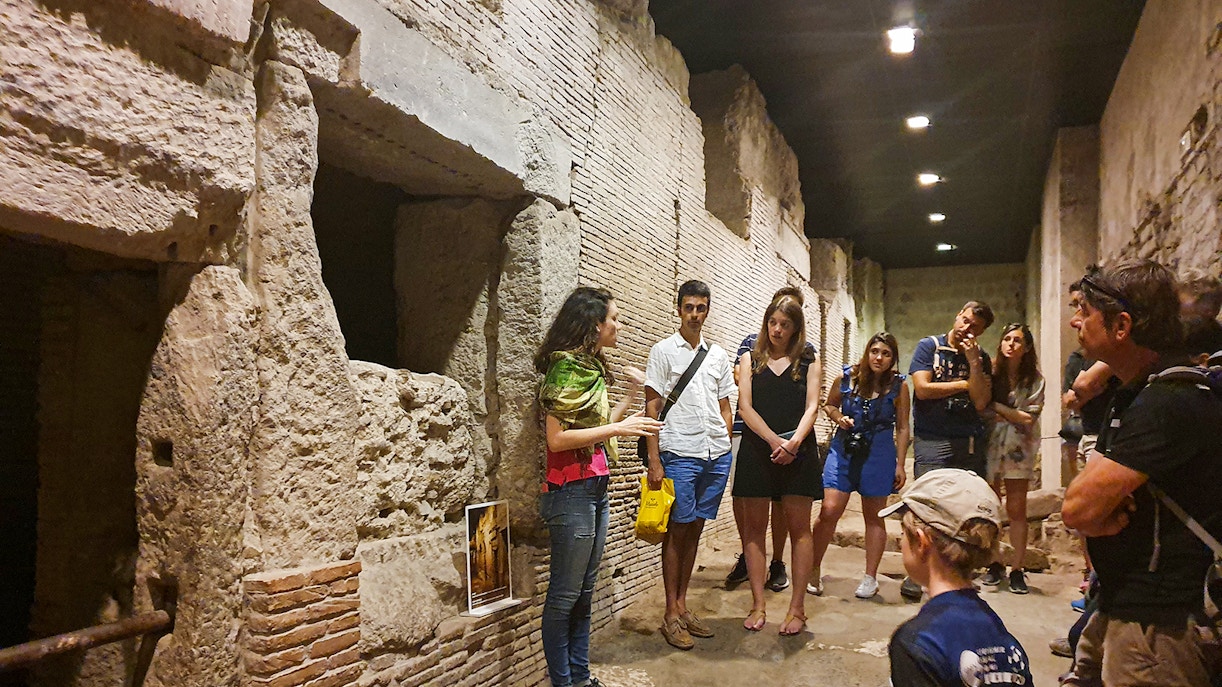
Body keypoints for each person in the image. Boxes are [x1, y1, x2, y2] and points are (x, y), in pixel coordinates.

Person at [1062, 260, 1222, 686]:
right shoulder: (1136, 393)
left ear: (1121, 326)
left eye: (1087, 311)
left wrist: (1100, 512)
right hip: (1122, 604)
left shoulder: (1167, 402)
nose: (1076, 320)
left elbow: (1078, 509)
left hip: (1159, 626)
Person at [536, 286, 664, 687]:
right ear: (595, 325)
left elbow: (596, 428)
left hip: (595, 487)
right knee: (562, 598)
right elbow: (556, 440)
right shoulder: (564, 370)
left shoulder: (592, 367)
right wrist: (619, 426)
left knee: (585, 593)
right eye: (614, 320)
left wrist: (627, 400)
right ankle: (563, 682)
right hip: (569, 491)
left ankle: (580, 676)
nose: (619, 326)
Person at [644, 280, 736, 651]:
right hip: (678, 452)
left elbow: (726, 404)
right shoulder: (663, 351)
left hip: (714, 454)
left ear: (708, 309)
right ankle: (670, 612)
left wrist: (724, 438)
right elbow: (651, 408)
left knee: (695, 527)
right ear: (678, 309)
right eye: (689, 308)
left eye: (701, 308)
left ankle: (683, 606)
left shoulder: (717, 355)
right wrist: (654, 459)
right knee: (676, 531)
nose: (695, 314)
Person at [883, 468, 1033, 686]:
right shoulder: (1003, 637)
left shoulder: (917, 641)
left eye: (902, 535)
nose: (900, 542)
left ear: (922, 542)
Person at [733, 294, 822, 635]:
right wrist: (775, 441)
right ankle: (758, 603)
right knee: (753, 530)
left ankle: (797, 609)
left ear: (795, 328)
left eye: (785, 325)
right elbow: (745, 407)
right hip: (759, 449)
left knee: (800, 529)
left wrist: (794, 443)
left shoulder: (808, 359)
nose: (777, 330)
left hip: (798, 449)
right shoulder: (750, 358)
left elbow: (812, 406)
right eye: (773, 323)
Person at [901, 301, 994, 600]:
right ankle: (918, 574)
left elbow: (981, 402)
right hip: (932, 438)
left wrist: (974, 363)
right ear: (957, 315)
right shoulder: (929, 347)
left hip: (967, 440)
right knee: (926, 506)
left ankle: (956, 576)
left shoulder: (981, 358)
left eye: (974, 327)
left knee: (963, 512)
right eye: (965, 320)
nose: (966, 328)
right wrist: (965, 383)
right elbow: (923, 388)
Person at [808, 332, 911, 599]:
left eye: (886, 354)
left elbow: (902, 427)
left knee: (875, 516)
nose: (879, 358)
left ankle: (870, 577)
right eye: (875, 351)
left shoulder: (899, 386)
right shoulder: (847, 378)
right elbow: (829, 405)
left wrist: (900, 464)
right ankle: (813, 567)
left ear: (893, 358)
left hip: (878, 450)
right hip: (844, 448)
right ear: (867, 352)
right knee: (829, 509)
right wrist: (839, 417)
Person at [980, 323, 1044, 594]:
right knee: (991, 506)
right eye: (1006, 339)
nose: (1011, 344)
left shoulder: (1035, 380)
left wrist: (998, 408)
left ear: (1026, 347)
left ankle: (1017, 568)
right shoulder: (992, 375)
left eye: (1017, 340)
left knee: (1017, 508)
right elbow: (981, 408)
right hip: (991, 444)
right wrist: (1010, 413)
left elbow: (1029, 418)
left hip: (1020, 447)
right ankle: (994, 563)